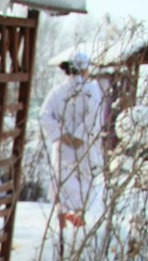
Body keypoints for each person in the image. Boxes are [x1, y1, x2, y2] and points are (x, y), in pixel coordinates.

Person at [38, 49, 106, 229]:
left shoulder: (57, 91)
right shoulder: (92, 90)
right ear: (85, 69)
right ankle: (79, 218)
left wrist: (62, 134)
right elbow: (95, 116)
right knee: (83, 179)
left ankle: (62, 218)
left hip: (62, 145)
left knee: (62, 180)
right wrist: (80, 135)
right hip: (83, 145)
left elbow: (44, 116)